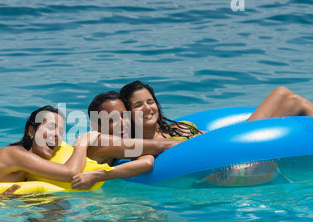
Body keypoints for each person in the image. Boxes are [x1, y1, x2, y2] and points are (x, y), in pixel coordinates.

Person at [119, 81, 313, 186]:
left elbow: (212, 138)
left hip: (238, 152)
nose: (147, 108)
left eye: (150, 102)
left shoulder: (174, 127)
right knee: (289, 98)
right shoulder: (145, 142)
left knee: (289, 96)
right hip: (233, 169)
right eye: (138, 105)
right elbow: (144, 163)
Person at [71, 91, 181, 189]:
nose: (123, 124)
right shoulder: (101, 141)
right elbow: (162, 147)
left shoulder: (122, 144)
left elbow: (146, 162)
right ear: (96, 125)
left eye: (125, 116)